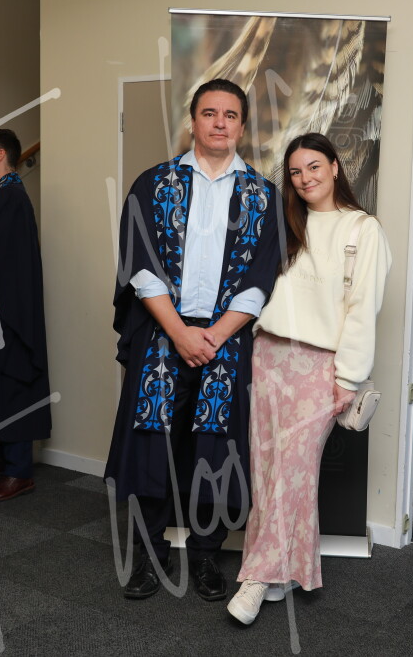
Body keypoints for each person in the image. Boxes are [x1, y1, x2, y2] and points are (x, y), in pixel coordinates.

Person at [106, 79, 283, 602]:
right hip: (164, 331)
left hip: (227, 338)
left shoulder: (262, 195)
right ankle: (149, 554)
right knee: (152, 443)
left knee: (217, 447)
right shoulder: (154, 184)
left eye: (230, 115)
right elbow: (139, 266)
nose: (220, 123)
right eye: (210, 113)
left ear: (242, 126)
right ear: (193, 121)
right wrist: (180, 333)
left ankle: (207, 554)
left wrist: (215, 335)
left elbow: (261, 278)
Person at [227, 132, 391, 625]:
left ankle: (256, 578)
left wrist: (348, 377)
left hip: (320, 365)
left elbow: (363, 308)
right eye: (296, 172)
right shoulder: (284, 224)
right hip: (268, 355)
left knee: (293, 471)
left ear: (335, 167)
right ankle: (281, 573)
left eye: (314, 167)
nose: (305, 179)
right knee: (267, 469)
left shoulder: (363, 229)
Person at [0, 128, 52, 502]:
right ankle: (5, 457)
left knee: (14, 381)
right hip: (0, 308)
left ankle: (19, 471)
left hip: (11, 312)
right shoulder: (2, 194)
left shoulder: (12, 197)